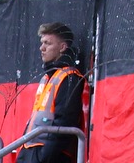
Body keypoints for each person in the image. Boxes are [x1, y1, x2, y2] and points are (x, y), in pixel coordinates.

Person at [18, 24, 86, 163]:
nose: (41, 48)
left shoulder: (69, 77)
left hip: (50, 154)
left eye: (47, 43)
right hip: (32, 149)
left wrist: (45, 156)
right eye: (42, 43)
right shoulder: (47, 78)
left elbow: (65, 121)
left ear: (62, 47)